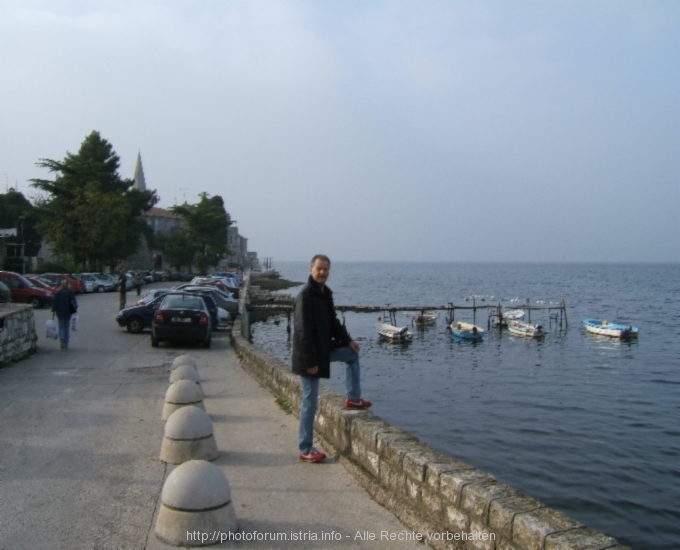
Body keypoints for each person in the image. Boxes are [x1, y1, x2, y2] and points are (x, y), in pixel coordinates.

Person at [292, 254, 371, 463]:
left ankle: (353, 398)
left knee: (352, 355)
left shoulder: (325, 294)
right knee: (309, 401)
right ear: (311, 269)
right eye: (319, 269)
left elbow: (333, 322)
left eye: (326, 270)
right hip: (308, 356)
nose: (322, 273)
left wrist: (348, 341)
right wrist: (310, 362)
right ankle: (305, 448)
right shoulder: (305, 296)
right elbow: (302, 332)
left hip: (324, 349)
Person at [51, 280, 77, 350]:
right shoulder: (70, 291)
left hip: (60, 312)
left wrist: (53, 312)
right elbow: (74, 300)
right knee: (66, 328)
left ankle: (62, 338)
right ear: (67, 284)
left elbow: (55, 303)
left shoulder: (58, 292)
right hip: (68, 312)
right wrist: (75, 309)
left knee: (61, 327)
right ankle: (66, 344)